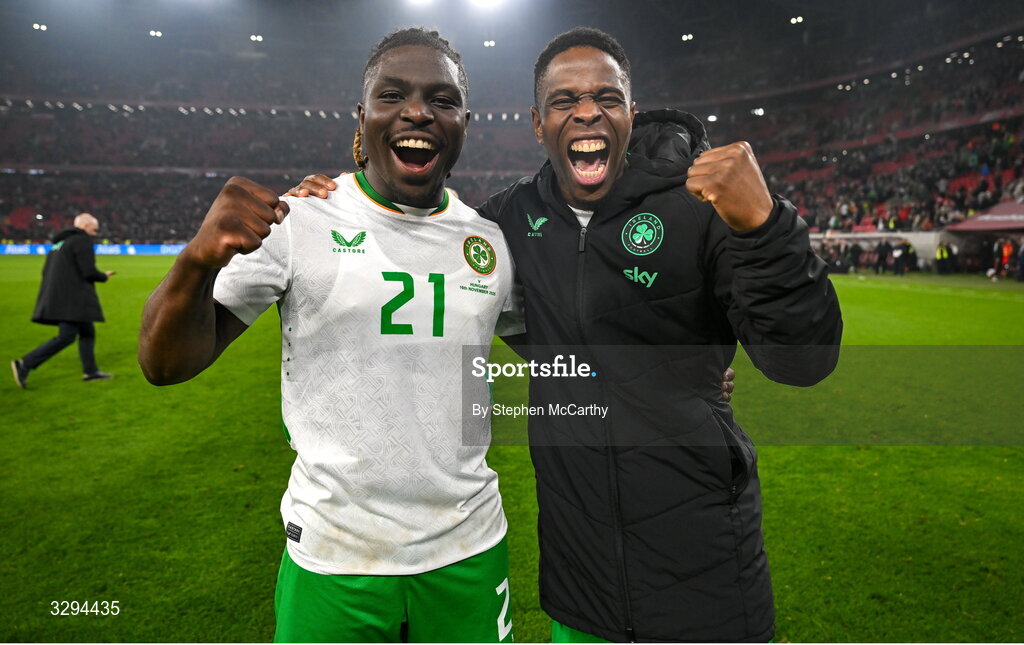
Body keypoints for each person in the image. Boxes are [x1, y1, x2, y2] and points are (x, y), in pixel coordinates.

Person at [292, 26, 842, 643]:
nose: (586, 110)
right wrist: (336, 197)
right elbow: (441, 252)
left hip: (707, 571)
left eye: (606, 98)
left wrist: (766, 227)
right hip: (583, 589)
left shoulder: (699, 204)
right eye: (564, 100)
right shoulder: (507, 221)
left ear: (631, 114)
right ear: (537, 122)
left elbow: (804, 359)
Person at [138, 29, 524, 643]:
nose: (418, 112)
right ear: (363, 118)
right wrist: (195, 261)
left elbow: (574, 353)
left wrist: (692, 367)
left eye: (442, 100)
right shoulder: (300, 222)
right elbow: (164, 364)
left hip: (470, 548)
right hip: (336, 555)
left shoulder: (490, 242)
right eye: (392, 95)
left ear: (465, 122)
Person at [11, 213, 115, 388]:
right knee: (66, 336)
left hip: (58, 295)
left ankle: (91, 371)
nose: (95, 234)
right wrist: (103, 276)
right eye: (94, 229)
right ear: (85, 226)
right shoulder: (82, 240)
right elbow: (88, 271)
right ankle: (25, 364)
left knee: (87, 332)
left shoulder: (58, 244)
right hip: (72, 298)